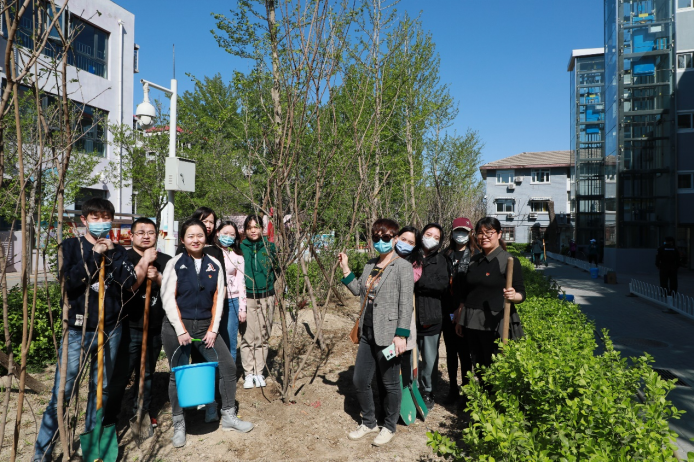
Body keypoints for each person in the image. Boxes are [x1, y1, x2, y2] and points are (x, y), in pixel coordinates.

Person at [33, 198, 149, 462]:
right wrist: (95, 254)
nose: (101, 222)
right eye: (95, 218)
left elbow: (129, 282)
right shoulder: (70, 246)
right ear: (84, 220)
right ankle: (42, 453)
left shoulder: (118, 251)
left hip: (110, 329)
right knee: (63, 391)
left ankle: (91, 445)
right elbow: (69, 283)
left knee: (101, 389)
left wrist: (111, 253)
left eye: (106, 217)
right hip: (78, 329)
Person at [161, 219, 253, 448]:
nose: (196, 240)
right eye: (190, 236)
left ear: (206, 238)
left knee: (228, 367)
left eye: (200, 235)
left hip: (205, 327)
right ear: (183, 239)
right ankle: (179, 424)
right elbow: (168, 298)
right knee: (177, 374)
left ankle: (229, 415)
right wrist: (180, 329)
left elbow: (218, 299)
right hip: (176, 328)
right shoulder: (174, 263)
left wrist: (213, 329)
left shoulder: (214, 264)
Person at [338, 218, 413, 447]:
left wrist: (401, 335)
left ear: (395, 239)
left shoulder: (403, 266)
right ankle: (369, 422)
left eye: (386, 237)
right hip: (367, 332)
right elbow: (357, 290)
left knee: (390, 383)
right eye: (376, 237)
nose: (380, 241)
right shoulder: (370, 264)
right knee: (360, 380)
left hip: (389, 334)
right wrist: (345, 268)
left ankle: (389, 426)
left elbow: (406, 303)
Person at [104, 218, 171, 429]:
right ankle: (109, 419)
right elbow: (127, 287)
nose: (146, 236)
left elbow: (174, 291)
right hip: (128, 326)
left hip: (155, 327)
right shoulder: (122, 258)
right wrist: (144, 262)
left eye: (150, 232)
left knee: (147, 373)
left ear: (156, 236)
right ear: (131, 236)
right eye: (141, 232)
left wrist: (158, 277)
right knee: (121, 375)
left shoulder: (166, 260)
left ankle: (142, 412)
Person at [455, 217, 525, 386]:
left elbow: (521, 294)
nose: (484, 236)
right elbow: (467, 293)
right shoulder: (474, 261)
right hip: (471, 320)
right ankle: (481, 396)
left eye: (489, 232)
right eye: (480, 233)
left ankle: (493, 398)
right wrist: (460, 317)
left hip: (494, 321)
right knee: (477, 363)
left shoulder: (508, 260)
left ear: (499, 234)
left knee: (493, 364)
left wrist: (513, 295)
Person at [239, 214, 278, 389]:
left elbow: (277, 270)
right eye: (249, 228)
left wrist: (269, 286)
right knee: (248, 337)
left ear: (262, 229)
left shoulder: (270, 248)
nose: (253, 230)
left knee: (263, 336)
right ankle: (248, 373)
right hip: (247, 297)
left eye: (256, 227)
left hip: (266, 297)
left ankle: (259, 372)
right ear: (245, 230)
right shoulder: (240, 248)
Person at [414, 223, 449, 410]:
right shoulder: (411, 256)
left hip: (431, 317)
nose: (431, 239)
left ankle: (428, 391)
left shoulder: (441, 260)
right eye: (428, 234)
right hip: (410, 318)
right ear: (421, 235)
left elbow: (441, 285)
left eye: (436, 237)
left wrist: (417, 280)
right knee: (410, 358)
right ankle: (411, 388)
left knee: (429, 360)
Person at [441, 217, 475, 405]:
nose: (460, 234)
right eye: (457, 231)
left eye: (464, 231)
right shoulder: (445, 255)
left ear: (470, 233)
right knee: (451, 351)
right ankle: (452, 388)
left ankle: (467, 390)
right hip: (447, 310)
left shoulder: (475, 256)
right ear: (452, 233)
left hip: (466, 312)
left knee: (465, 353)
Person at [392, 226, 424, 388]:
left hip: (404, 315)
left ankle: (404, 389)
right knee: (388, 356)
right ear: (396, 238)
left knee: (404, 355)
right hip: (385, 316)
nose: (405, 244)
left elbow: (409, 279)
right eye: (403, 239)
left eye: (411, 242)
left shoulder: (416, 263)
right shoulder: (386, 257)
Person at [215, 221, 247, 358]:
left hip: (232, 301)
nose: (228, 237)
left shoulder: (238, 257)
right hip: (213, 301)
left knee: (230, 340)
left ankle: (229, 370)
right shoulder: (210, 253)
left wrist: (242, 308)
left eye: (232, 235)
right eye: (225, 233)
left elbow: (241, 282)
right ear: (218, 233)